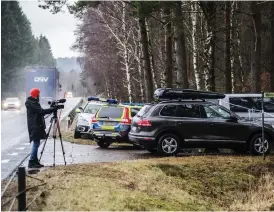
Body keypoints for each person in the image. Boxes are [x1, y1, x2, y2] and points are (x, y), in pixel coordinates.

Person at [25, 88, 57, 168]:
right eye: (38, 94)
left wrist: (51, 109)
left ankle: (35, 161)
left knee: (37, 143)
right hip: (35, 125)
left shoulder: (33, 102)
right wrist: (52, 109)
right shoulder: (32, 103)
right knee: (36, 143)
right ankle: (32, 161)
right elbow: (41, 111)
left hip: (36, 125)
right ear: (36, 95)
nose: (39, 95)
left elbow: (40, 112)